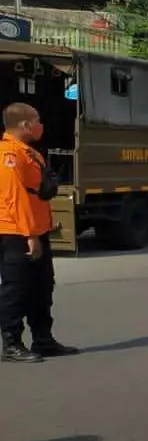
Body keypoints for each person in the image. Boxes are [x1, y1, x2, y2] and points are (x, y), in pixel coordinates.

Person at [0, 102, 76, 362]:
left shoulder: (31, 153)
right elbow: (15, 198)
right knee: (16, 289)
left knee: (42, 287)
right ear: (25, 125)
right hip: (15, 232)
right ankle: (11, 344)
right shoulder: (9, 154)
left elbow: (38, 194)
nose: (41, 125)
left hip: (37, 228)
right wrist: (29, 236)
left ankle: (43, 340)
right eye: (37, 120)